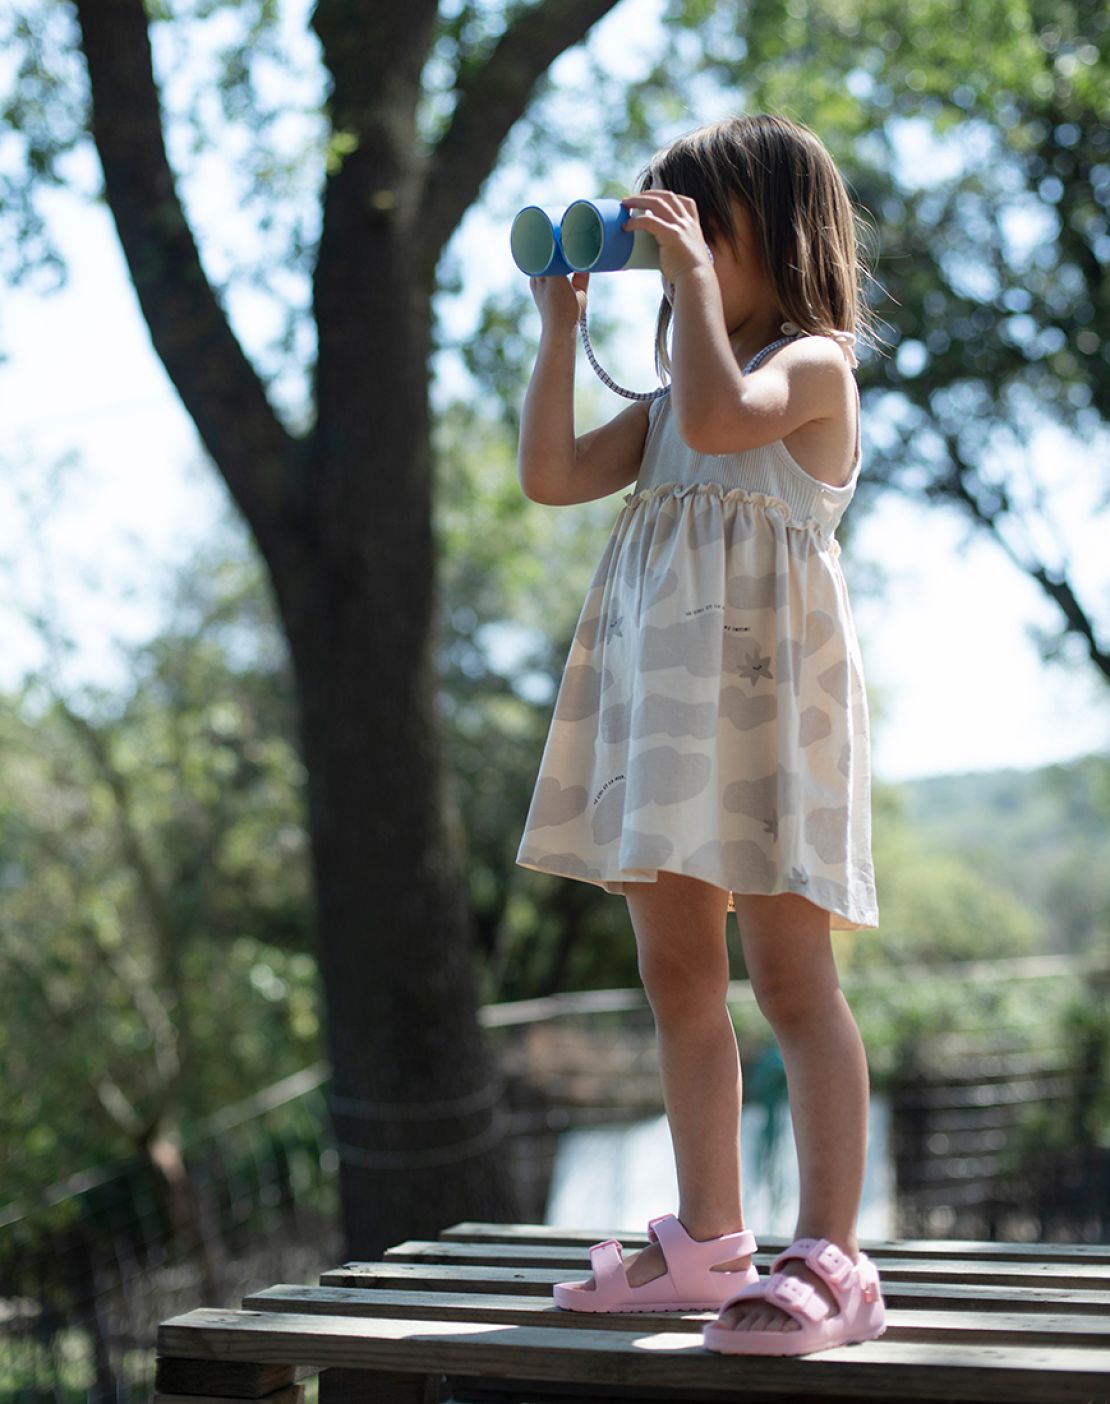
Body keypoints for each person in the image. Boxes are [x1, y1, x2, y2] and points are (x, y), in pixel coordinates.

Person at [513, 113, 885, 1356]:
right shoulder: (679, 397)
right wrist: (565, 326)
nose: (674, 249)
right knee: (678, 976)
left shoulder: (812, 367)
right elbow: (554, 474)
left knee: (790, 977)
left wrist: (686, 287)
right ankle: (710, 1237)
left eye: (697, 227)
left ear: (775, 239)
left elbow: (733, 425)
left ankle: (832, 1255)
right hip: (665, 715)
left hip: (770, 708)